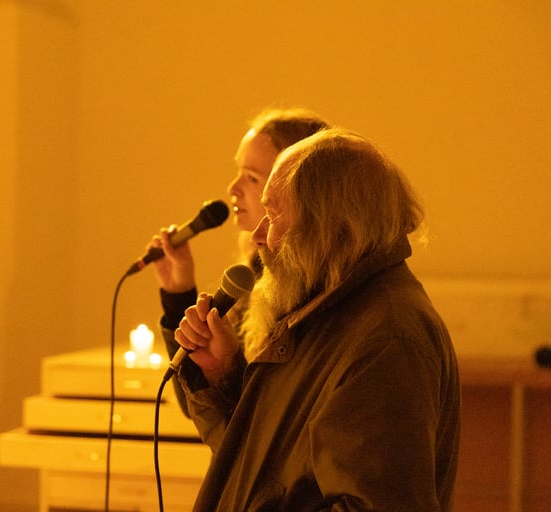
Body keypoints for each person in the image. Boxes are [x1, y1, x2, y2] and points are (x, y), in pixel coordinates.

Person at [174, 128, 461, 511]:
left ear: (329, 225)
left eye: (273, 214)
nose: (258, 236)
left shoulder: (387, 338)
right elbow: (260, 472)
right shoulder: (322, 311)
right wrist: (223, 374)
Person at [146, 108, 329, 413]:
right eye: (238, 172)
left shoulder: (303, 290)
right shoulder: (255, 272)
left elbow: (259, 419)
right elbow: (204, 409)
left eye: (252, 178)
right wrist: (179, 292)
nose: (232, 189)